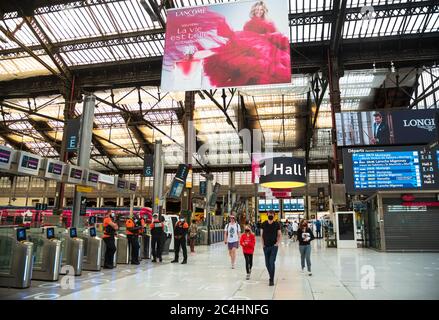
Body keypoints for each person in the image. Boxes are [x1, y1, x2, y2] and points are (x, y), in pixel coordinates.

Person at [261, 211, 281, 286]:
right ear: (267, 215)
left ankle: (271, 279)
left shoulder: (277, 224)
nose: (270, 215)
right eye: (269, 214)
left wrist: (277, 243)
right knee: (267, 264)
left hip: (273, 246)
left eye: (272, 214)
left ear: (274, 215)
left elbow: (279, 235)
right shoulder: (263, 224)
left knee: (271, 262)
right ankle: (271, 276)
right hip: (266, 246)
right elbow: (262, 235)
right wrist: (263, 245)